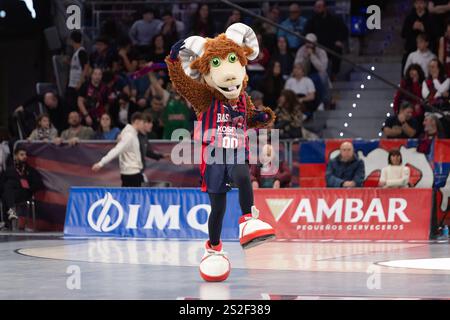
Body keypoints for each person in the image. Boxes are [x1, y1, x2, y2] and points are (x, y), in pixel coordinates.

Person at [92, 112, 146, 187]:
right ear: (137, 122)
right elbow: (117, 150)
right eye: (143, 123)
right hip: (132, 175)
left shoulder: (130, 134)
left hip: (132, 173)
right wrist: (101, 163)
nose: (144, 125)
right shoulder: (129, 136)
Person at [0, 147, 43, 230]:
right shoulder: (10, 170)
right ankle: (11, 211)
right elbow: (2, 183)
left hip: (24, 193)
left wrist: (29, 188)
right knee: (7, 189)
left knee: (8, 187)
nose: (24, 157)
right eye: (21, 155)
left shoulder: (30, 170)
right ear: (16, 156)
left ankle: (7, 221)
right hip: (12, 194)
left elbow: (39, 184)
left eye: (25, 155)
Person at [304, 0, 348, 78]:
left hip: (331, 46)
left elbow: (344, 31)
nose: (317, 9)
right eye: (316, 7)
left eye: (319, 7)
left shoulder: (334, 19)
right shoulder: (312, 20)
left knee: (338, 49)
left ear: (325, 8)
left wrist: (340, 40)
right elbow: (306, 33)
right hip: (317, 46)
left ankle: (334, 73)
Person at [295, 33, 331, 108]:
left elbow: (322, 68)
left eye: (310, 43)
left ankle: (324, 102)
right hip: (304, 74)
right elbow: (297, 65)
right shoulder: (301, 50)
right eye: (307, 42)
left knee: (323, 76)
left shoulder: (321, 51)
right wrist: (305, 58)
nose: (308, 45)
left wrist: (312, 56)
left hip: (318, 74)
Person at [401, 0, 438, 72]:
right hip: (411, 50)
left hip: (427, 52)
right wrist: (412, 28)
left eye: (421, 3)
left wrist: (424, 29)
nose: (419, 5)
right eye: (417, 3)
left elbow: (435, 35)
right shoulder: (409, 18)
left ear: (425, 4)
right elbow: (403, 34)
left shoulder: (431, 18)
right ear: (414, 5)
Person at [66, 30, 90, 111]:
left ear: (72, 40)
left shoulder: (81, 52)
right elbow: (77, 66)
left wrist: (80, 82)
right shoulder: (75, 53)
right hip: (72, 84)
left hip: (77, 84)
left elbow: (86, 66)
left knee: (75, 106)